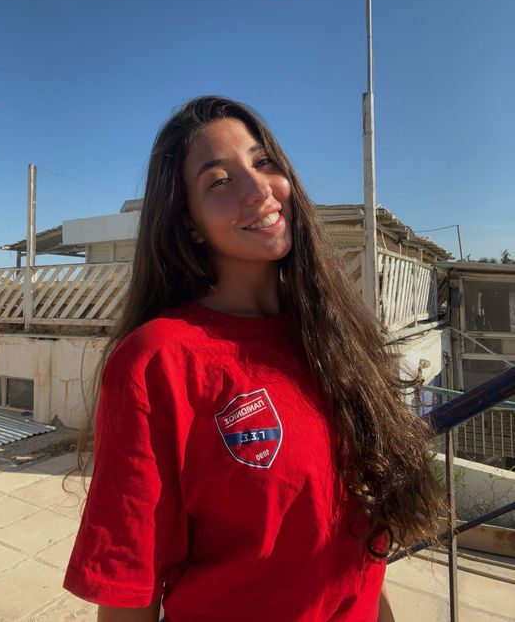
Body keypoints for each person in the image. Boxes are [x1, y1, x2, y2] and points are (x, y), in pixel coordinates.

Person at [63, 95, 442, 622]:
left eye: (263, 162)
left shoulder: (335, 335)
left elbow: (358, 554)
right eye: (219, 181)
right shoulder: (156, 362)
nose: (259, 188)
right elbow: (131, 591)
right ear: (190, 223)